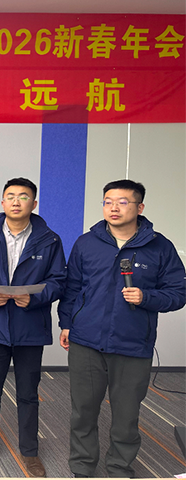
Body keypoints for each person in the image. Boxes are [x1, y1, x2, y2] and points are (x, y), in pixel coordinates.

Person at [58, 180, 186, 478]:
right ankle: (82, 467)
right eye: (108, 201)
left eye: (122, 202)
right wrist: (66, 324)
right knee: (83, 411)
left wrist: (147, 297)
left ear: (140, 207)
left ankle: (119, 468)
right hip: (86, 341)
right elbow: (72, 288)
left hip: (133, 345)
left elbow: (178, 293)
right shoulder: (86, 243)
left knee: (126, 416)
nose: (113, 208)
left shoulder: (160, 247)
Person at [0, 178, 66, 477]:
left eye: (23, 196)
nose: (16, 201)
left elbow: (59, 281)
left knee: (28, 393)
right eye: (10, 196)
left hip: (30, 327)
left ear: (33, 204)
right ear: (2, 202)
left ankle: (30, 451)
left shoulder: (50, 239)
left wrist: (35, 299)